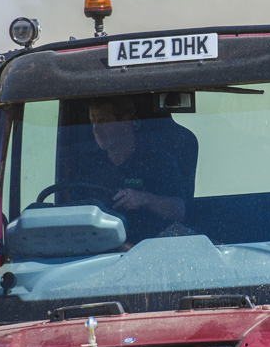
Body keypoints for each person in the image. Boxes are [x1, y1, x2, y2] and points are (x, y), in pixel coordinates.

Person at [83, 97, 194, 242]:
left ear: (125, 122)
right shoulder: (89, 166)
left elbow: (178, 210)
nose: (96, 129)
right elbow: (75, 213)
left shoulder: (157, 161)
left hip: (153, 248)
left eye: (103, 121)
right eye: (93, 121)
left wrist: (144, 199)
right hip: (99, 252)